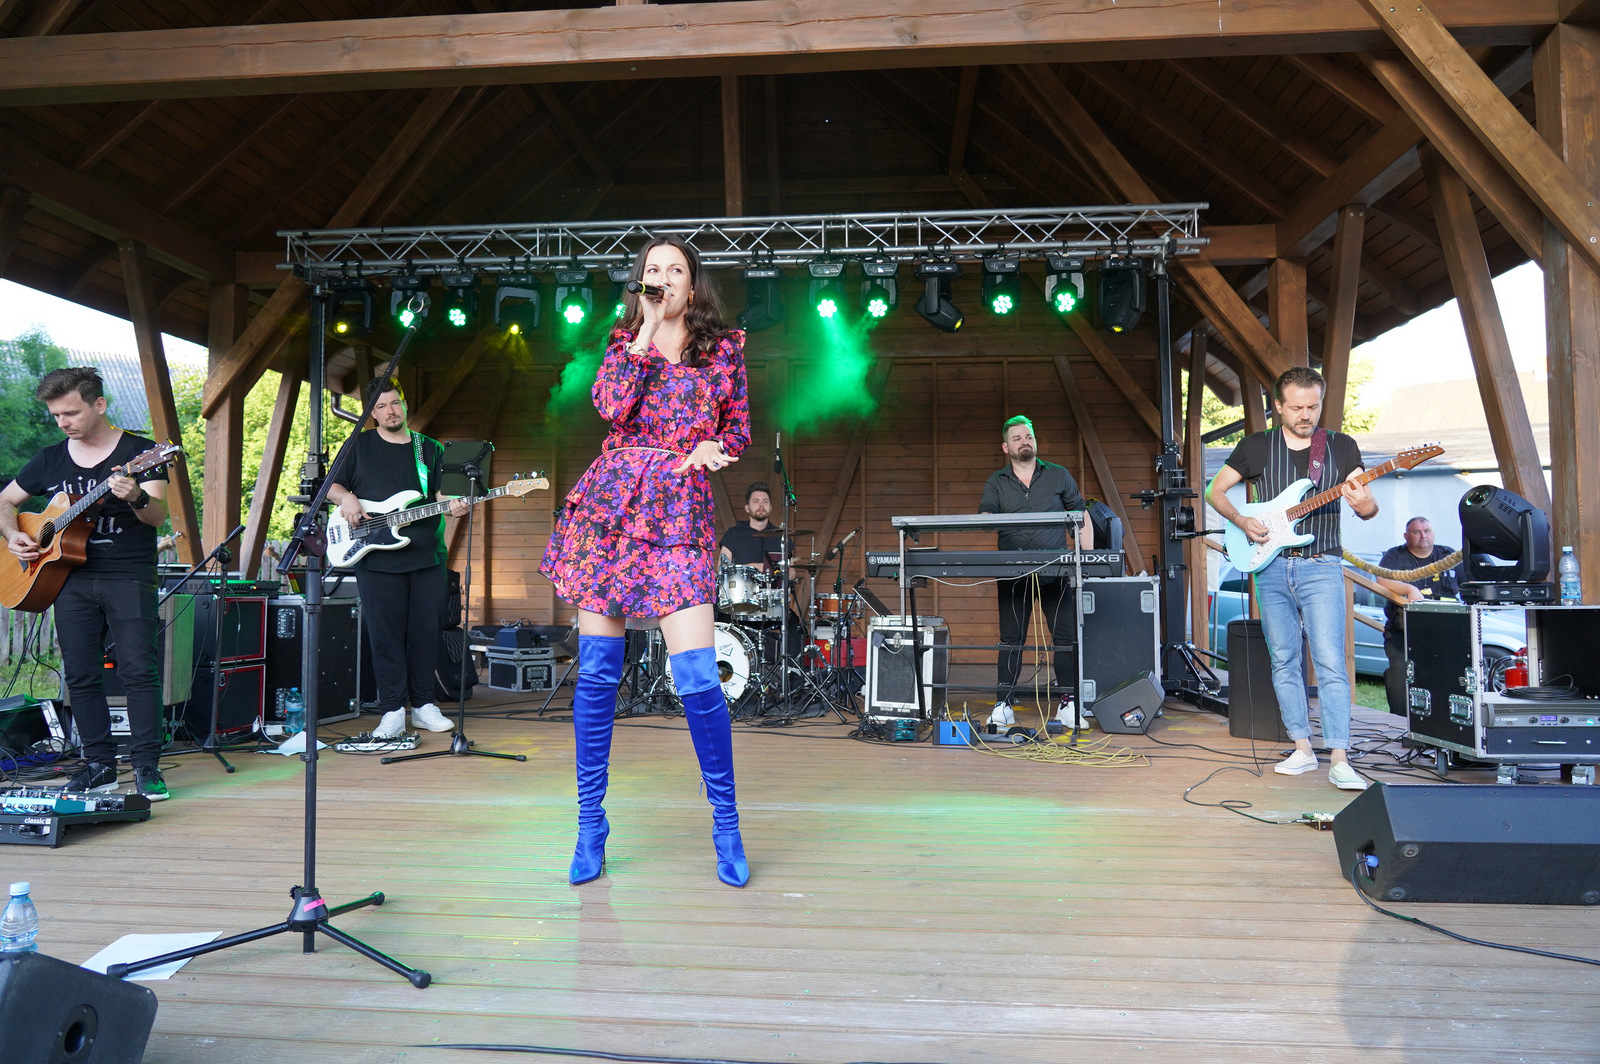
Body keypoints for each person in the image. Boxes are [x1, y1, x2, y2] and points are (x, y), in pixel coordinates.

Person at [540, 236, 753, 888]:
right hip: (612, 508)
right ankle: (590, 823)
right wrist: (645, 332)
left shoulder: (724, 350)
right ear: (642, 283)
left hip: (679, 508)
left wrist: (712, 450)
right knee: (599, 674)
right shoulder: (622, 343)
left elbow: (738, 429)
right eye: (652, 270)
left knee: (698, 676)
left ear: (694, 284)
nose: (663, 277)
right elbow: (609, 406)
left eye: (675, 269)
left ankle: (726, 822)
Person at [0, 368, 172, 800]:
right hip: (68, 577)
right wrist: (13, 534)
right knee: (80, 674)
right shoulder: (50, 458)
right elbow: (6, 500)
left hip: (128, 574)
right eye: (56, 415)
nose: (63, 423)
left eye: (71, 413)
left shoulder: (142, 453)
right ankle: (99, 766)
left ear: (99, 404)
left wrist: (136, 496)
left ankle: (147, 765)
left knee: (138, 671)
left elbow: (157, 516)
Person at [1206, 366, 1379, 791]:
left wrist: (1366, 505)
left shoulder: (1341, 446)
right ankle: (1302, 747)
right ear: (1279, 407)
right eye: (1297, 407)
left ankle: (1339, 757)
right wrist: (1241, 520)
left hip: (1322, 565)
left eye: (1313, 406)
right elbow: (1215, 490)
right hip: (1271, 566)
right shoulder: (1255, 446)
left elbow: (1365, 505)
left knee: (1330, 662)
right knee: (1284, 659)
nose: (1306, 415)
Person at [326, 378, 469, 740]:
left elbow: (443, 495)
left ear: (404, 404)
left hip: (426, 558)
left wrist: (455, 505)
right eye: (381, 407)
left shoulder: (430, 448)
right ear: (372, 413)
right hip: (375, 558)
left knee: (426, 634)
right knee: (385, 636)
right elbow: (331, 486)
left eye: (394, 403)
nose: (390, 411)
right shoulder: (358, 445)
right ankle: (392, 710)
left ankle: (423, 706)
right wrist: (347, 498)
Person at [978, 415, 1093, 730]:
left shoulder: (1058, 475)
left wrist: (1087, 560)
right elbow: (986, 515)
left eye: (1028, 436)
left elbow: (1080, 514)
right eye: (1016, 438)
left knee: (1065, 637)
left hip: (1056, 570)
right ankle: (1003, 705)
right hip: (1013, 573)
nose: (1024, 441)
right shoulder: (996, 481)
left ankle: (1068, 704)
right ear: (1006, 447)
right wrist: (988, 516)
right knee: (1011, 638)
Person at [1376, 517, 1462, 715]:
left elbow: (1469, 585)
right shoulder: (1395, 556)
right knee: (1399, 677)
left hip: (1444, 633)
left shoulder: (1447, 555)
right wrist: (1409, 589)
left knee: (1447, 678)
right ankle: (1400, 723)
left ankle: (1442, 722)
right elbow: (1381, 579)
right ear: (1406, 536)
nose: (1423, 535)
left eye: (1427, 531)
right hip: (1404, 634)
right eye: (1416, 532)